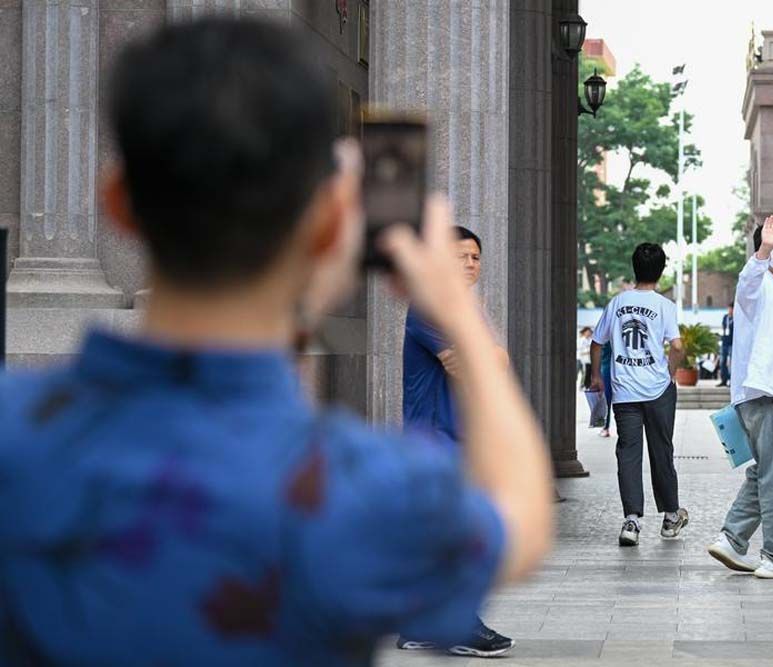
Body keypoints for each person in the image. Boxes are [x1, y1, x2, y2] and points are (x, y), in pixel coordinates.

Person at [0, 18, 554, 666]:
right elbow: (522, 517)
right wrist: (455, 304)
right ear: (325, 225)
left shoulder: (16, 436)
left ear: (118, 203)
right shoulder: (364, 488)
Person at [399, 226, 515, 657]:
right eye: (460, 256)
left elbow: (495, 362)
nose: (470, 264)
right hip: (436, 437)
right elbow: (474, 367)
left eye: (475, 258)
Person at [707, 215, 773, 579]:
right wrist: (764, 250)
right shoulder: (759, 284)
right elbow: (747, 280)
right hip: (764, 396)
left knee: (764, 473)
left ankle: (732, 539)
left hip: (762, 395)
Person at [590, 243, 689, 547]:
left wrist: (596, 376)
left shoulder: (617, 303)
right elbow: (677, 346)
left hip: (625, 393)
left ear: (634, 268)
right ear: (661, 271)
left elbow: (597, 342)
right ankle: (671, 516)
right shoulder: (664, 306)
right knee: (662, 451)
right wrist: (670, 372)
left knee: (628, 454)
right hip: (658, 389)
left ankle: (631, 521)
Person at [599, 341, 613, 438]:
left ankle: (605, 427)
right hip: (620, 370)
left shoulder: (604, 339)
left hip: (606, 370)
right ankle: (605, 427)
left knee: (606, 401)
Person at [719, 303, 734, 386]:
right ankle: (723, 379)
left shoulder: (736, 318)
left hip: (732, 342)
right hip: (724, 341)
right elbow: (723, 326)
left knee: (731, 362)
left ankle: (731, 379)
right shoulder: (725, 317)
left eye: (731, 309)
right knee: (723, 361)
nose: (729, 310)